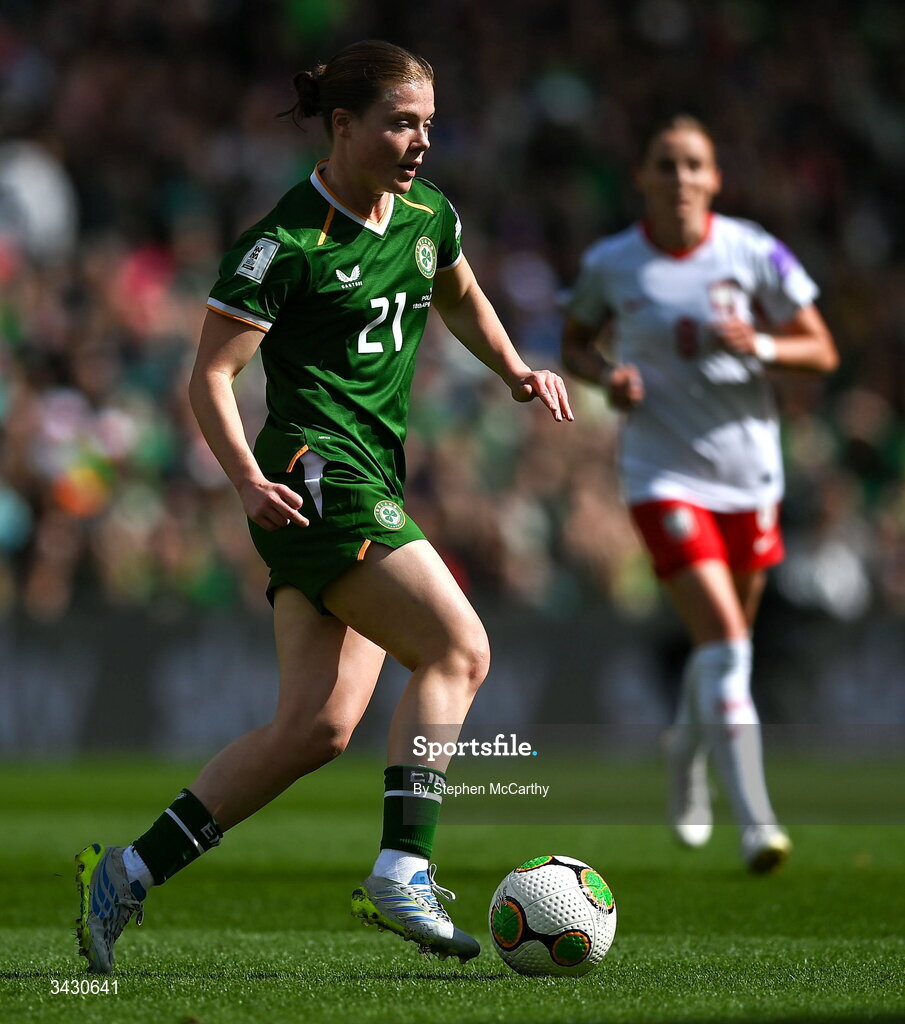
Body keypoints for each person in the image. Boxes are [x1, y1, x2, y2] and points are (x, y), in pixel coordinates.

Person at [75, 39, 573, 973]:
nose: (419, 140)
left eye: (427, 122)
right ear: (341, 125)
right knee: (460, 648)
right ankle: (403, 867)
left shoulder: (429, 214)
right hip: (312, 476)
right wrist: (240, 477)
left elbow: (457, 294)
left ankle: (128, 872)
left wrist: (514, 370)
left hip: (365, 478)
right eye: (398, 122)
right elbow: (209, 376)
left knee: (316, 729)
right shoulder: (286, 240)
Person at [561, 115, 837, 872]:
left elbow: (821, 348)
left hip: (748, 474)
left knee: (727, 649)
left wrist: (767, 344)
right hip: (662, 474)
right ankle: (756, 820)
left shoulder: (752, 251)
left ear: (714, 179)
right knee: (722, 638)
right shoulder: (612, 263)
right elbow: (575, 343)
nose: (679, 177)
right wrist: (604, 377)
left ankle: (683, 750)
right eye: (664, 164)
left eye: (693, 165)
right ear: (642, 178)